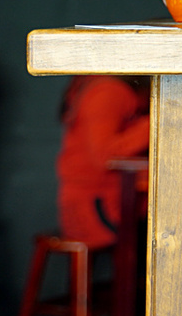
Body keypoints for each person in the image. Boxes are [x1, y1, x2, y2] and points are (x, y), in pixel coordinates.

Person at [55, 76, 150, 249]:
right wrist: (162, 120)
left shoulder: (95, 84)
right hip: (98, 210)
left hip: (85, 207)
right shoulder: (108, 90)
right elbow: (105, 156)